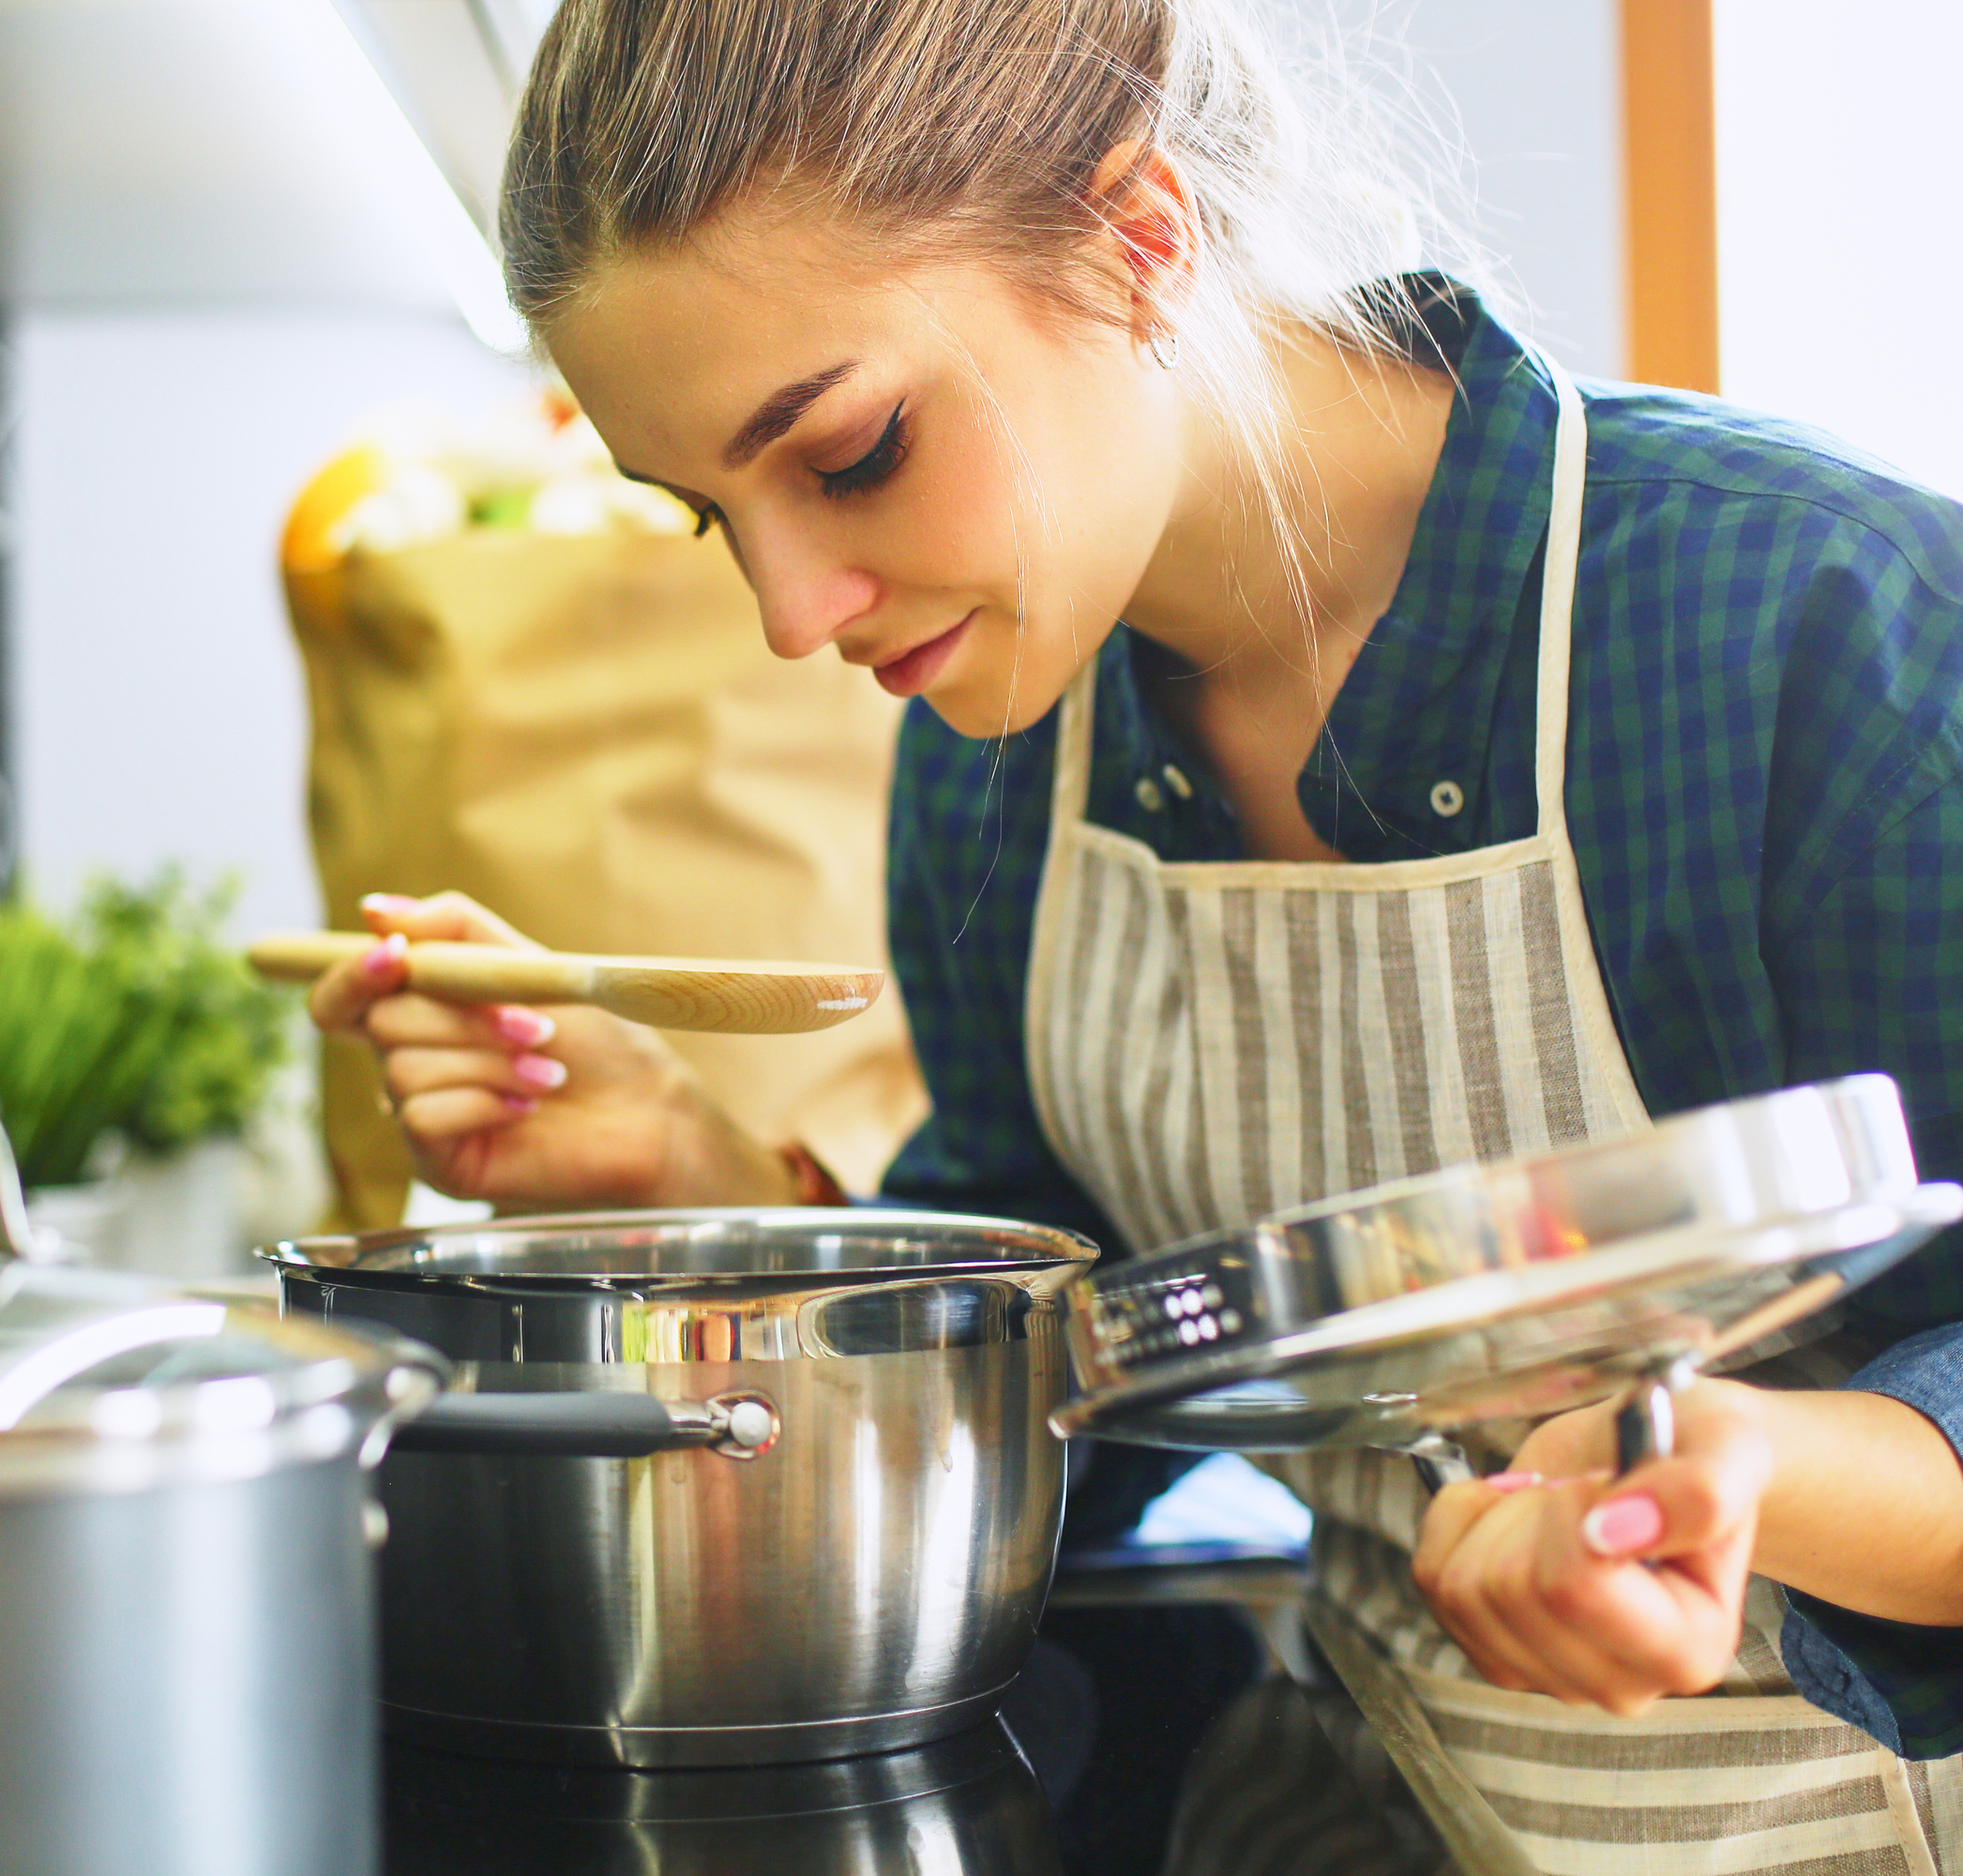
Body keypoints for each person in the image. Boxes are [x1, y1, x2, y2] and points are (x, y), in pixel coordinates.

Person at [302, 0, 1963, 1865]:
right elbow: (1076, 1398)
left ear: (1139, 238)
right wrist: (708, 1179)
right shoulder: (1003, 758)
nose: (790, 612)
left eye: (847, 454)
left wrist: (1732, 1466)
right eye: (710, 517)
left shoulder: (1831, 631)